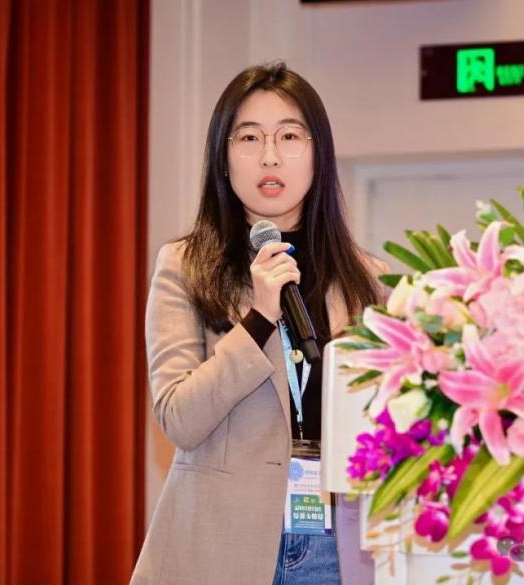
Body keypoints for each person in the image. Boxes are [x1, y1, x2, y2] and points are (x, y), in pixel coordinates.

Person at [130, 62, 388, 585]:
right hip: (221, 543)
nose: (270, 155)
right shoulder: (185, 266)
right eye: (249, 137)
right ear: (223, 158)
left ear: (318, 154)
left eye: (289, 136)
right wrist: (258, 320)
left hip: (338, 546)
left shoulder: (369, 281)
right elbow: (179, 419)